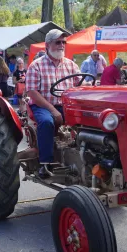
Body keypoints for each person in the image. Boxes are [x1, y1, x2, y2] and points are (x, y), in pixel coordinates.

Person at [26, 29, 85, 177]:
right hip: (43, 104)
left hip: (66, 105)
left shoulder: (71, 65)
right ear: (47, 45)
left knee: (90, 120)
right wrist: (53, 110)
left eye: (63, 42)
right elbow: (32, 92)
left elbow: (81, 86)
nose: (61, 45)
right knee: (47, 122)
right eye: (58, 42)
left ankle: (85, 156)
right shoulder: (36, 65)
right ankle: (46, 164)